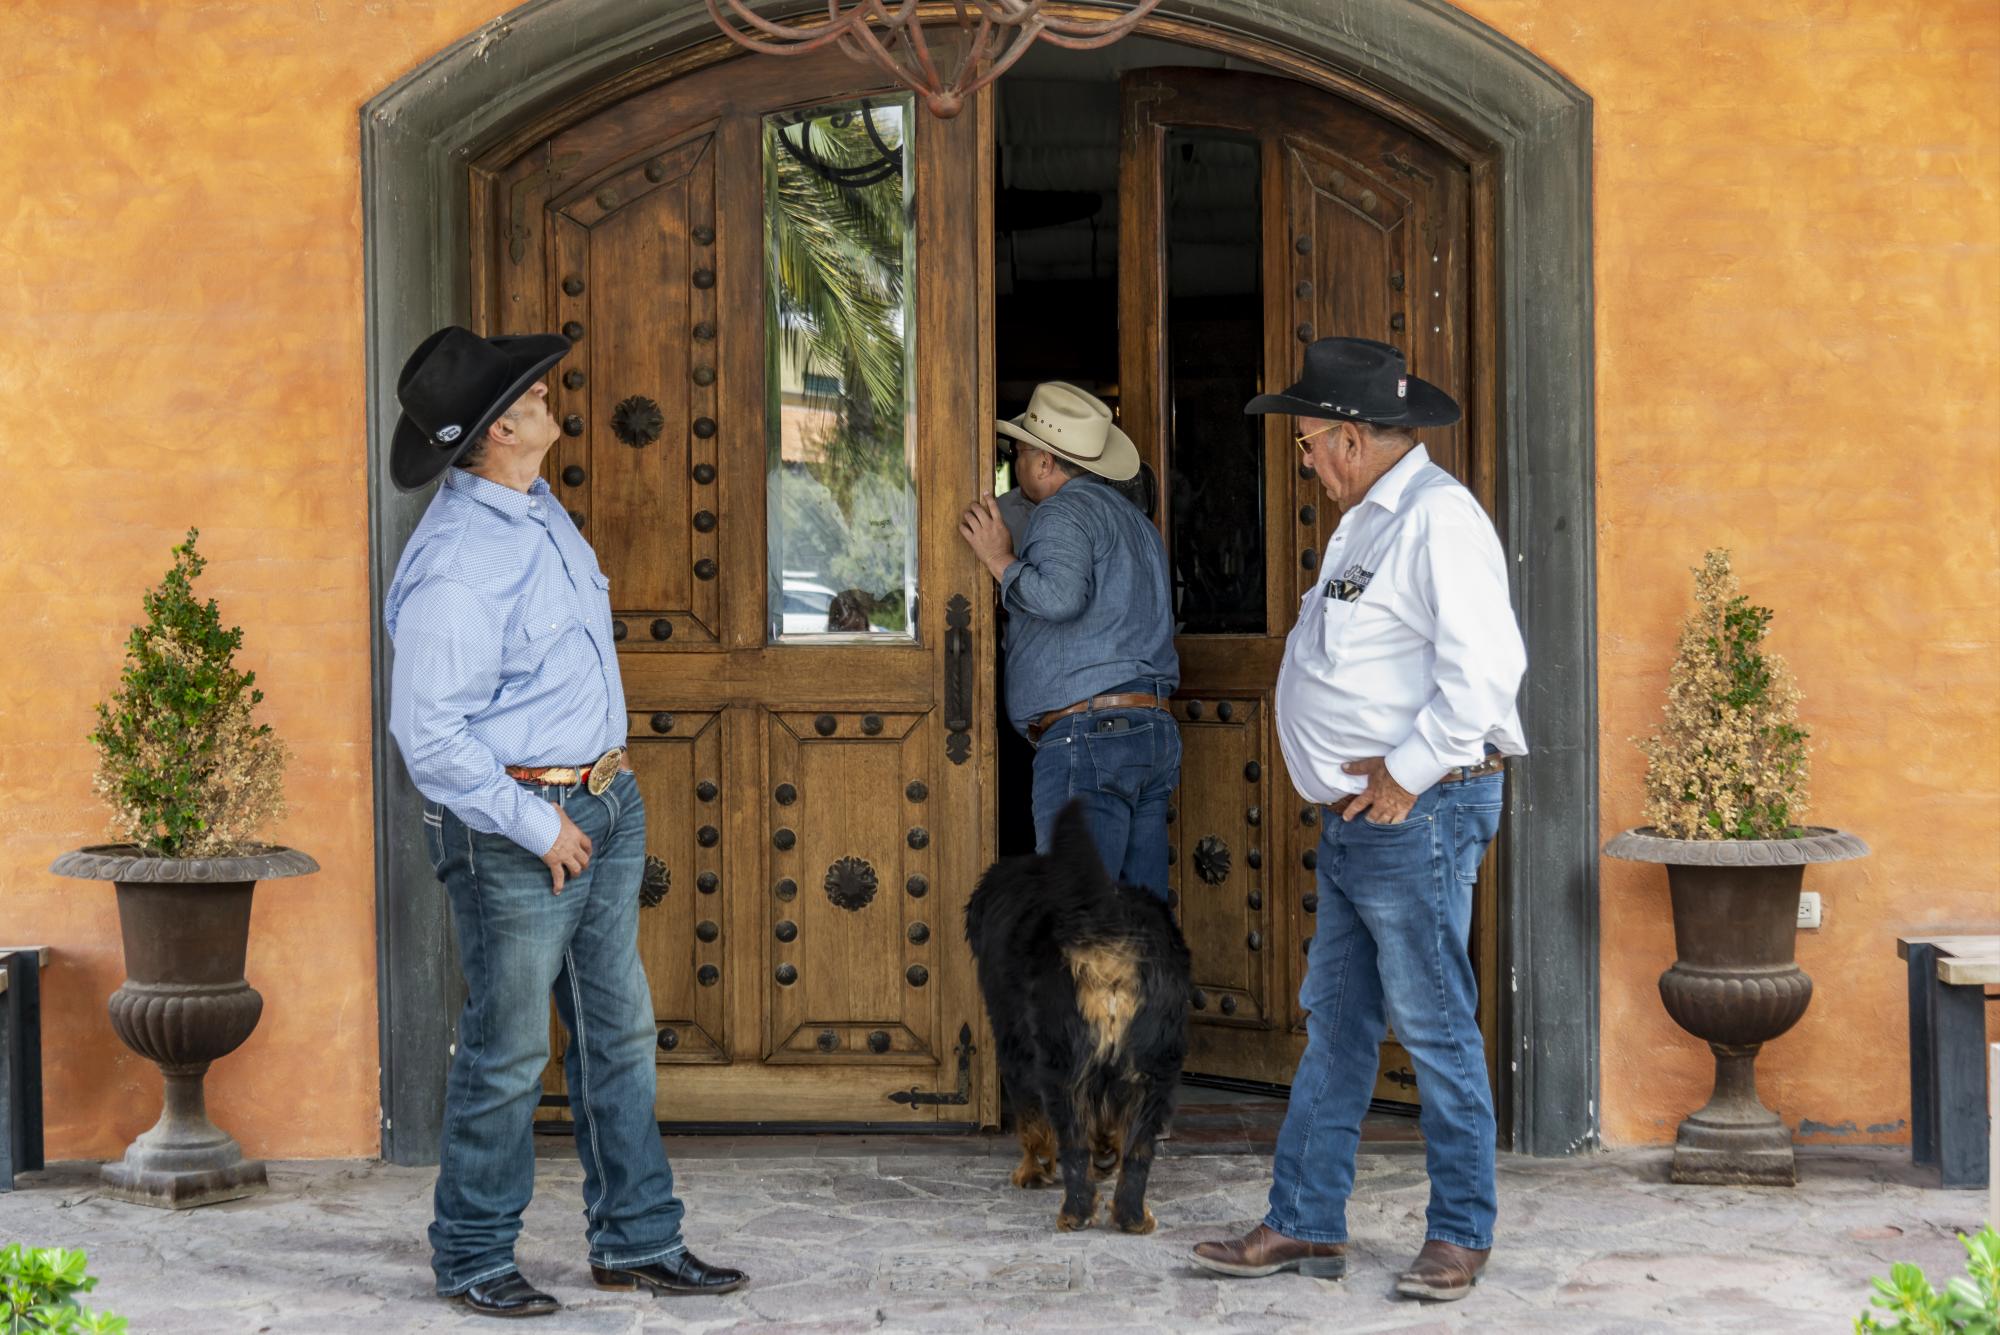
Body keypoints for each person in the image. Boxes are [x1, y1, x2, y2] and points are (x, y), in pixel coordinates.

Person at [384, 326, 746, 1319]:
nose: (549, 395)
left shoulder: (536, 511)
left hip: (599, 800)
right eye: (534, 393)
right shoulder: (458, 563)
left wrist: (598, 797)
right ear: (502, 428)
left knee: (618, 1033)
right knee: (507, 1052)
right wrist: (536, 825)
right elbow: (428, 734)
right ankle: (469, 1256)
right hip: (520, 824)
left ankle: (637, 1240)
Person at [1190, 338, 1526, 1303]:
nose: (1303, 462)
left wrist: (1408, 774)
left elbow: (1486, 676)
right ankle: (1303, 1218)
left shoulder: (1436, 520)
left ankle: (1462, 1231)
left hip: (1415, 816)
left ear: (1347, 438)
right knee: (1336, 1025)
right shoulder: (1368, 522)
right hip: (1360, 825)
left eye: (1306, 445)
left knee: (1434, 1026)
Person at [958, 381, 1180, 899]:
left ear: (1044, 462)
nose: (1016, 465)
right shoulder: (1137, 524)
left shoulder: (1063, 511)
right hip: (1149, 731)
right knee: (1138, 924)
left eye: (1019, 453)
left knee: (1078, 923)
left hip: (1091, 735)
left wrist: (998, 558)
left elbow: (1060, 598)